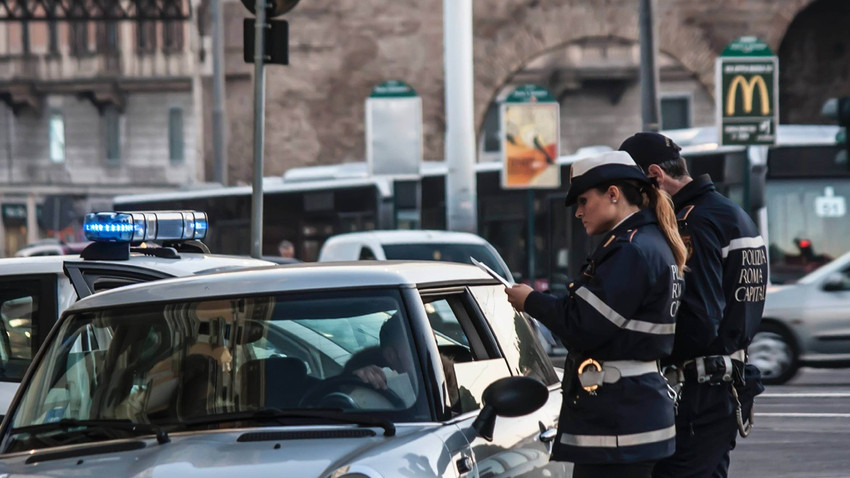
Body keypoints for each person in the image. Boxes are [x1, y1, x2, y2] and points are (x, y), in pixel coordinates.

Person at [505, 150, 687, 478]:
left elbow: (584, 326)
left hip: (619, 426)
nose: (578, 212)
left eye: (584, 201)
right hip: (632, 417)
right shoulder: (647, 242)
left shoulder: (630, 249)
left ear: (613, 194)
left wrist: (531, 301)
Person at [619, 132, 767, 478]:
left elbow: (699, 318)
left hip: (699, 389)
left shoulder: (691, 223)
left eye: (633, 190)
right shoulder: (731, 213)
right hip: (727, 381)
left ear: (655, 176)